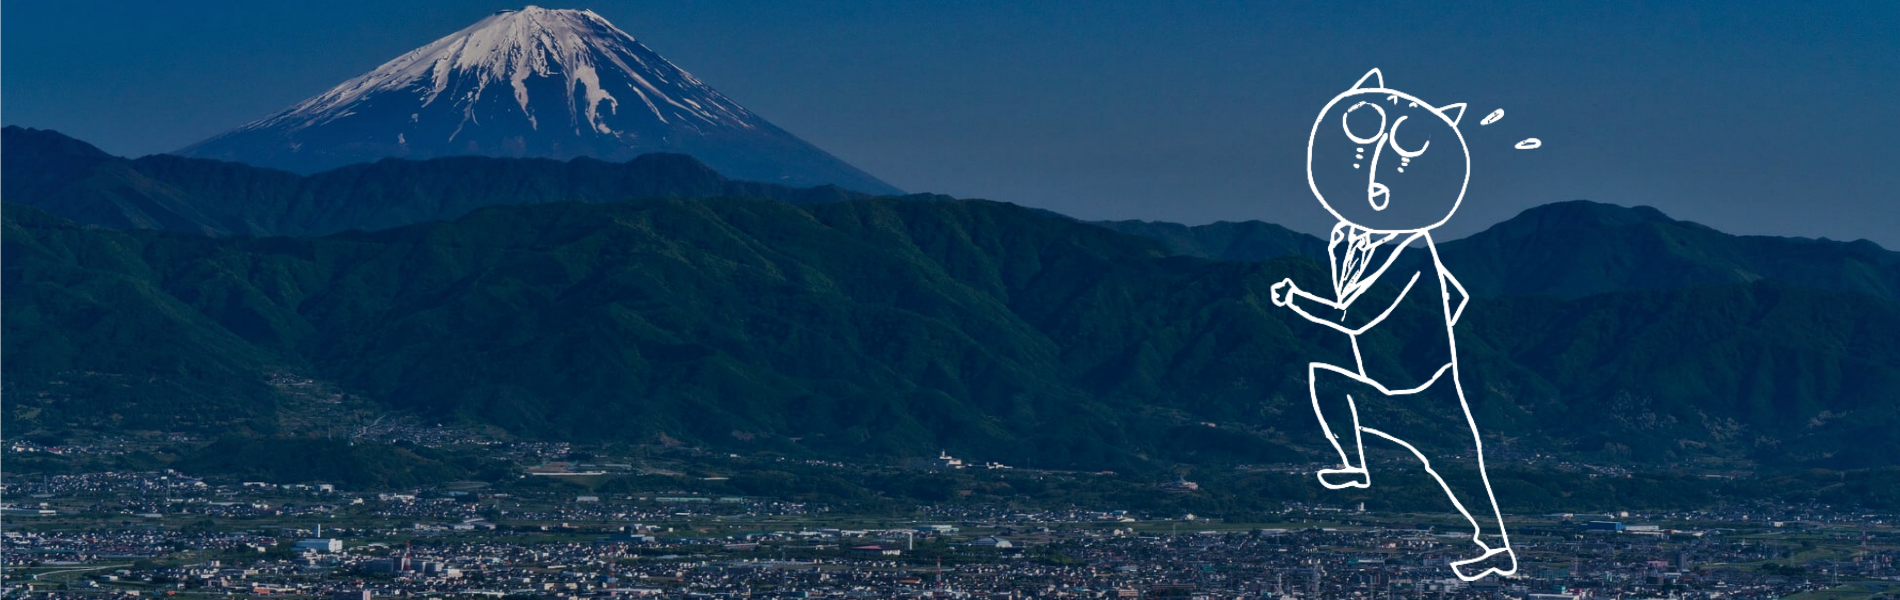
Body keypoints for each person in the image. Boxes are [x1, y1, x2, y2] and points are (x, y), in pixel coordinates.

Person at [1269, 68, 1516, 581]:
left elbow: (1351, 318)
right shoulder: (1358, 239)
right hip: (1399, 380)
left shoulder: (1409, 252)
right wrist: (1431, 329)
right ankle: (1355, 465)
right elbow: (1460, 294)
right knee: (1331, 382)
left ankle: (1496, 550)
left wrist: (1296, 300)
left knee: (1457, 469)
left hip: (1424, 385)